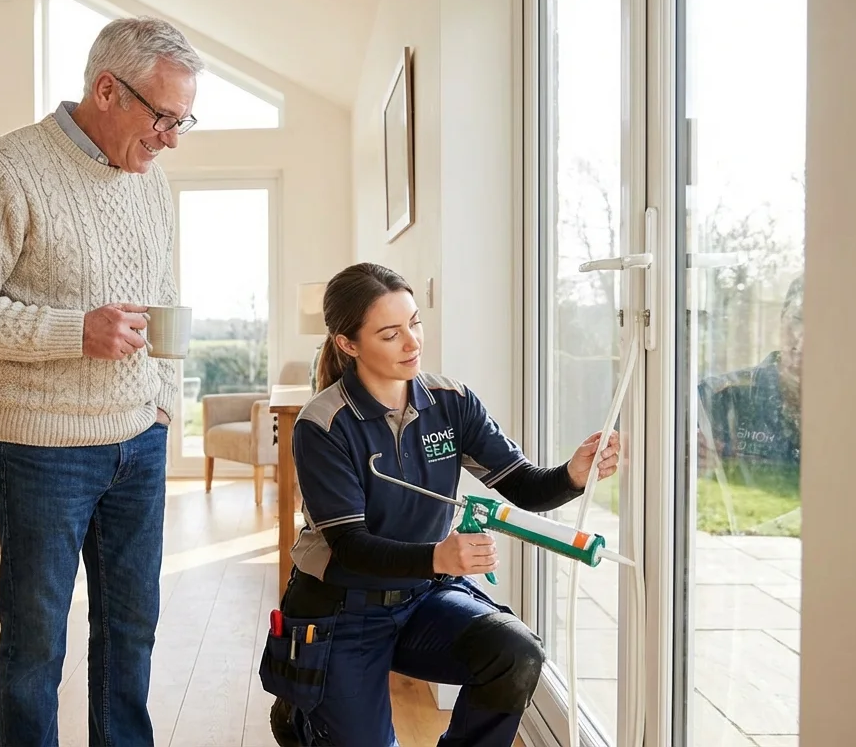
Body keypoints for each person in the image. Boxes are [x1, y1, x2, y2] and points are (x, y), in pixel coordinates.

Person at [0, 16, 204, 747]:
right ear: (108, 89)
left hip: (138, 442)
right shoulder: (7, 169)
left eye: (183, 120)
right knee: (35, 645)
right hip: (43, 450)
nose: (172, 137)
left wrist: (164, 409)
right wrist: (74, 331)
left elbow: (164, 289)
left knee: (131, 629)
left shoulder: (152, 179)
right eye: (164, 117)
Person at [260, 263, 620, 747]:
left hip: (422, 598)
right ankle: (304, 715)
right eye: (390, 333)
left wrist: (575, 473)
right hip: (341, 608)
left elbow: (525, 485)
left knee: (515, 653)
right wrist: (438, 556)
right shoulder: (322, 424)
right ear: (348, 344)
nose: (412, 342)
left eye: (415, 322)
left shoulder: (452, 402)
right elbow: (349, 547)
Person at [696, 274, 803, 491]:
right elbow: (633, 436)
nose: (802, 336)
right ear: (782, 319)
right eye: (798, 319)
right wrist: (680, 458)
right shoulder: (722, 396)